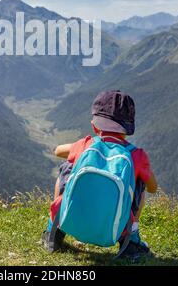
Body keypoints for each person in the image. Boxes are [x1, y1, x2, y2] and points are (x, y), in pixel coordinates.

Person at [42, 90, 158, 260]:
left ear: (95, 126)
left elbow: (58, 151)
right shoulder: (137, 156)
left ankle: (54, 232)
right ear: (128, 129)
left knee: (66, 168)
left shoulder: (86, 145)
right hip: (115, 229)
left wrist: (73, 150)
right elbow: (153, 188)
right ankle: (131, 242)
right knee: (139, 186)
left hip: (73, 222)